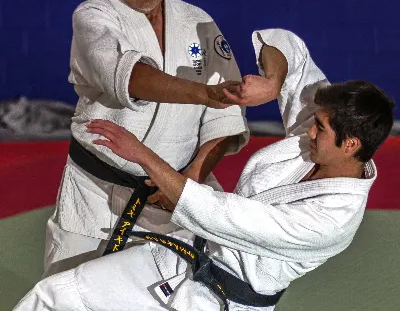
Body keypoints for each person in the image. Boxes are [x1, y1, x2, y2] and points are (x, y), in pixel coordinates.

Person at [14, 28, 395, 311]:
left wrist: (144, 155)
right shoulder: (317, 148)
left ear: (351, 144)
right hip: (180, 258)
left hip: (220, 300)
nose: (309, 127)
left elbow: (225, 216)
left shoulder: (331, 219)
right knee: (54, 297)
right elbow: (290, 50)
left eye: (321, 127)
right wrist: (272, 83)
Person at [43, 0, 248, 277]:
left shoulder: (198, 22)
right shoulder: (94, 17)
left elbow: (225, 118)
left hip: (175, 200)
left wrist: (188, 183)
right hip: (96, 197)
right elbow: (130, 77)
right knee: (69, 295)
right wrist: (202, 93)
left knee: (173, 297)